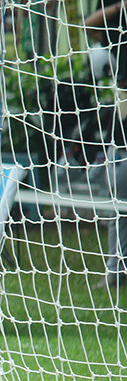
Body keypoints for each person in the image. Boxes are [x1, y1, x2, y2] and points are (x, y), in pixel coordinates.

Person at [86, 0, 127, 290]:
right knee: (118, 209)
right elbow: (88, 24)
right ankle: (116, 271)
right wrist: (119, 9)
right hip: (123, 140)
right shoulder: (122, 30)